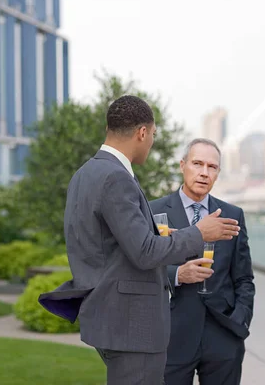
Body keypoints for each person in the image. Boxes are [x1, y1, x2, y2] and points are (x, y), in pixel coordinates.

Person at [38, 95, 241, 385]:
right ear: (142, 133)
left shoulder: (84, 174)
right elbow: (144, 252)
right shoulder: (115, 177)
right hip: (133, 325)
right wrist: (200, 233)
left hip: (109, 318)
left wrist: (160, 238)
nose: (152, 143)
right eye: (153, 136)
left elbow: (108, 244)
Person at [150, 138, 255, 385]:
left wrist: (239, 320)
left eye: (212, 167)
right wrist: (177, 275)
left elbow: (244, 278)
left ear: (218, 172)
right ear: (182, 165)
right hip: (171, 336)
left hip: (223, 337)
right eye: (197, 164)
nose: (204, 173)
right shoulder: (154, 212)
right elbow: (142, 267)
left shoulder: (232, 215)